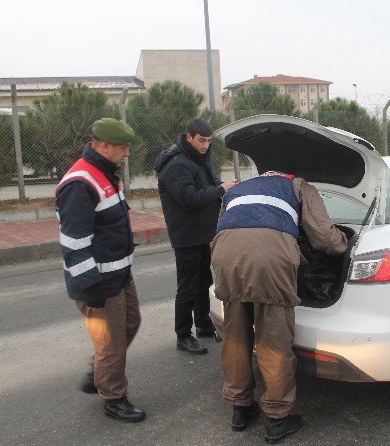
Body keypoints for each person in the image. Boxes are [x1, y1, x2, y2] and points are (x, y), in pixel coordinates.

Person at [211, 170, 348, 443]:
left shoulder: (240, 188)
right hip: (269, 258)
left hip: (225, 254)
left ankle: (240, 408)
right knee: (273, 339)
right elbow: (322, 235)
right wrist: (342, 245)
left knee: (235, 335)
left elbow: (227, 222)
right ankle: (277, 418)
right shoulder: (298, 185)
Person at [56, 117, 145, 422]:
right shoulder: (81, 183)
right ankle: (114, 397)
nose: (127, 153)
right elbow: (73, 242)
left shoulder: (105, 173)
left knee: (131, 323)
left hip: (118, 274)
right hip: (99, 281)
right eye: (123, 147)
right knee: (112, 342)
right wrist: (91, 286)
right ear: (103, 145)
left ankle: (99, 370)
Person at [155, 118, 237, 355]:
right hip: (186, 235)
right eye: (201, 140)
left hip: (202, 233)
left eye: (209, 141)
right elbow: (190, 199)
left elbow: (208, 184)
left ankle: (202, 324)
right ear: (188, 136)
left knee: (204, 282)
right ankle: (183, 335)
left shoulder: (197, 159)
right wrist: (221, 190)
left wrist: (225, 186)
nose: (205, 145)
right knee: (188, 287)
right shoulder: (176, 166)